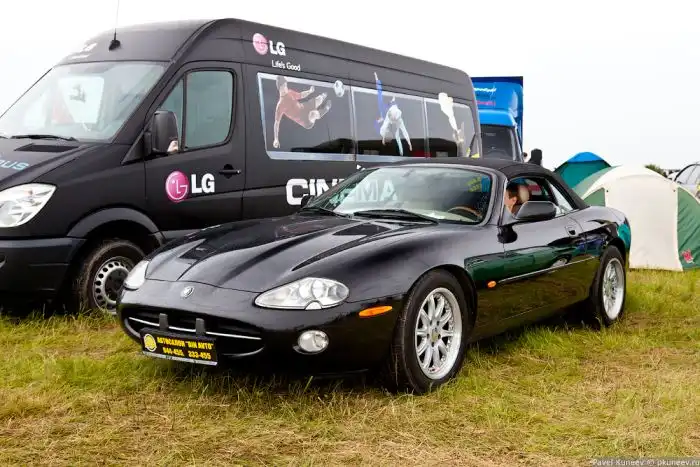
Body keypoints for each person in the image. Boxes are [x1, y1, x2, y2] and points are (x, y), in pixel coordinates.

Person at [272, 76, 332, 149]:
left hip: (304, 107)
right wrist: (276, 138)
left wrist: (309, 91)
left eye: (286, 85)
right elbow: (276, 123)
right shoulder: (280, 105)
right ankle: (326, 109)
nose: (286, 87)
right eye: (284, 86)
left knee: (319, 99)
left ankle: (326, 94)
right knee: (313, 114)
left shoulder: (289, 92)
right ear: (280, 88)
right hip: (304, 120)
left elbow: (301, 95)